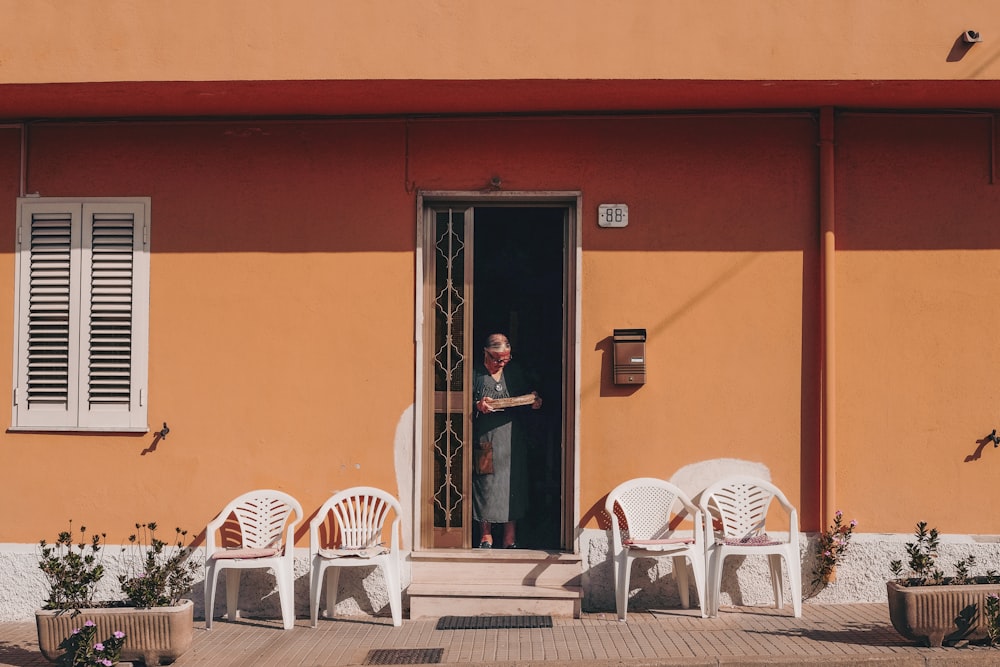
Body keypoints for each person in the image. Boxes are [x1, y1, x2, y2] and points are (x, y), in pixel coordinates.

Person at [472, 333, 542, 549]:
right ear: (486, 353)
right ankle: (486, 536)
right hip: (485, 437)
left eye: (505, 358)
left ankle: (510, 537)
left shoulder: (514, 372)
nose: (501, 363)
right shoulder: (474, 373)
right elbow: (460, 401)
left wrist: (534, 401)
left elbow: (528, 395)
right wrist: (478, 406)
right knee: (486, 483)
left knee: (512, 485)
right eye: (496, 358)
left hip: (512, 438)